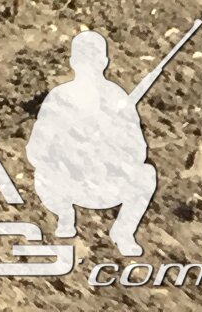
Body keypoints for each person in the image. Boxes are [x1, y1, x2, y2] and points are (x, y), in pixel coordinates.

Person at [27, 32, 159, 257]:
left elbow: (136, 151)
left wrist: (107, 148)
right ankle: (65, 216)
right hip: (68, 184)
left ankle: (123, 232)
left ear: (72, 62)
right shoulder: (61, 97)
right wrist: (70, 150)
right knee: (44, 173)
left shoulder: (116, 99)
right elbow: (37, 152)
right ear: (104, 62)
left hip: (105, 184)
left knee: (145, 174)